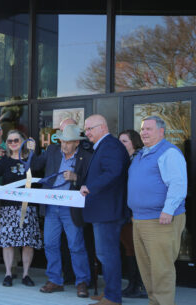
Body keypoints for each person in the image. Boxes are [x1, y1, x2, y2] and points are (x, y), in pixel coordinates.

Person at [0, 130, 44, 287]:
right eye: (9, 141)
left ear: (22, 140)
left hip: (28, 208)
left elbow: (39, 169)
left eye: (16, 140)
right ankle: (8, 274)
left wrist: (32, 151)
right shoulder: (4, 161)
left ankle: (25, 274)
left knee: (28, 243)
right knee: (8, 243)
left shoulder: (31, 159)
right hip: (9, 209)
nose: (12, 143)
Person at [127, 116, 187, 305]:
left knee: (161, 269)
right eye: (143, 129)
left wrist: (168, 210)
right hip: (140, 219)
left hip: (161, 220)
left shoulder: (169, 153)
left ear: (161, 131)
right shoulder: (142, 154)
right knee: (147, 269)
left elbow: (178, 184)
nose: (144, 132)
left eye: (149, 129)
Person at [29, 124, 92, 298]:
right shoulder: (52, 151)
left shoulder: (86, 157)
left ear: (77, 143)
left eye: (68, 142)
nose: (64, 145)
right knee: (50, 244)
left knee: (76, 245)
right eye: (62, 141)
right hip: (51, 206)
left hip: (71, 207)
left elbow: (92, 180)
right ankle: (55, 280)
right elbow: (34, 165)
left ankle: (82, 282)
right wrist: (30, 151)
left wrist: (75, 178)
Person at [80, 115, 129, 305]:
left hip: (108, 212)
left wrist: (90, 187)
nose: (87, 132)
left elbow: (113, 172)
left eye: (90, 128)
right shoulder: (104, 145)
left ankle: (113, 297)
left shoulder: (110, 145)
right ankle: (110, 292)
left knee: (108, 255)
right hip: (102, 211)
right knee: (105, 255)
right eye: (86, 129)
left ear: (103, 127)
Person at [118, 129, 147, 298]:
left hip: (134, 212)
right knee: (130, 248)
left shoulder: (138, 159)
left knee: (136, 249)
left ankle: (139, 286)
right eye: (119, 141)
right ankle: (133, 284)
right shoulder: (124, 160)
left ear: (134, 143)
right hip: (124, 211)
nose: (121, 145)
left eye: (125, 141)